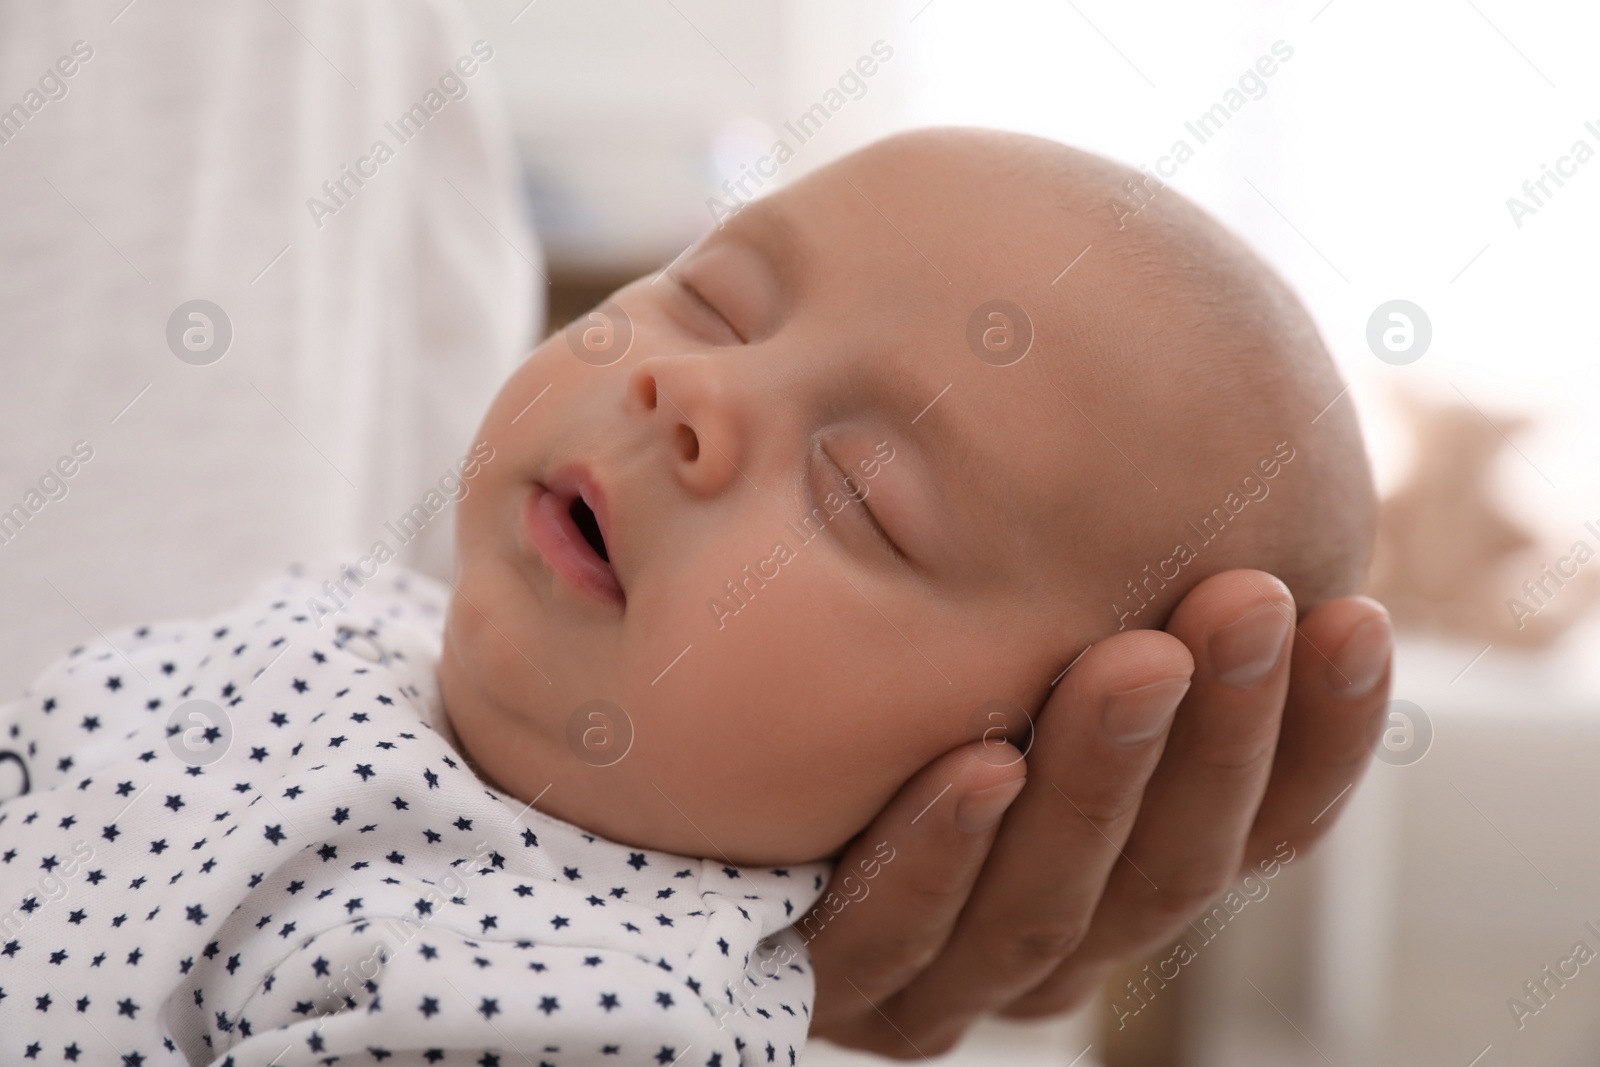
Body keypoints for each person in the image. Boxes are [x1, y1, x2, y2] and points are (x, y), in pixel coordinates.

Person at [0, 128, 1393, 1065]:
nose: (688, 390)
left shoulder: (574, 996)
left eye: (856, 495)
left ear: (1019, 782)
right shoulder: (353, 625)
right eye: (716, 302)